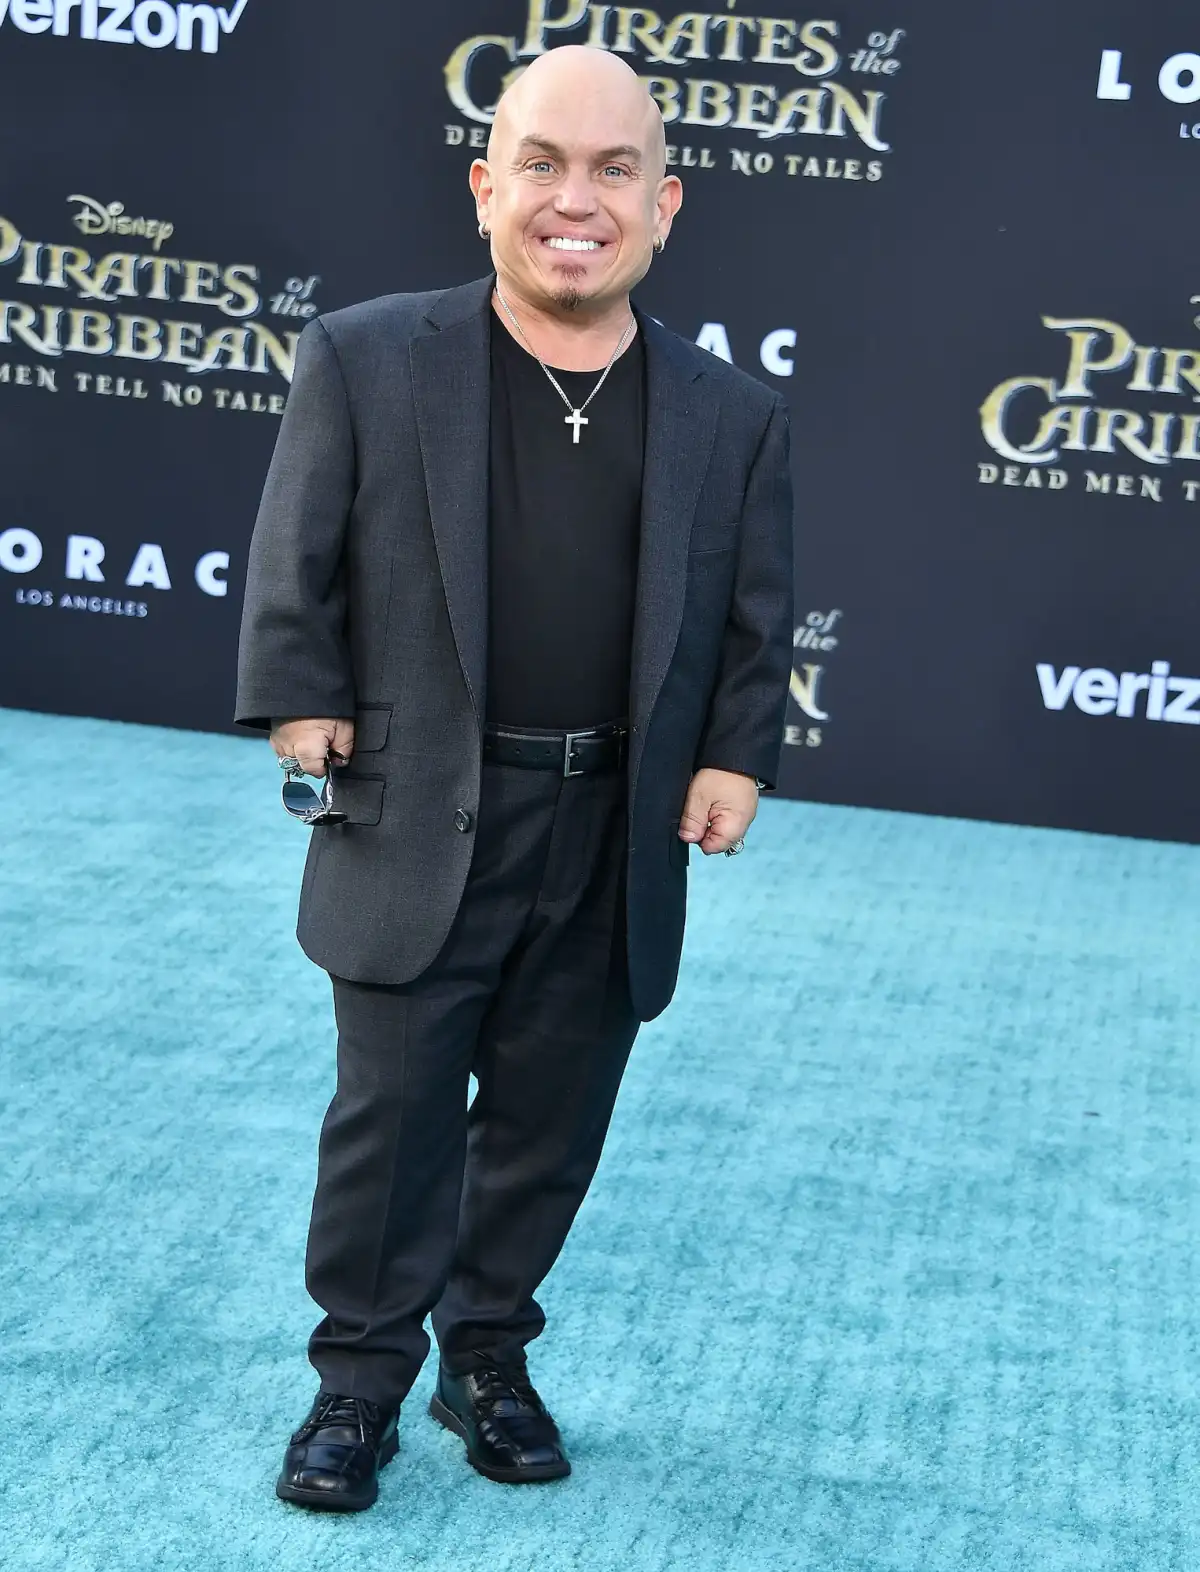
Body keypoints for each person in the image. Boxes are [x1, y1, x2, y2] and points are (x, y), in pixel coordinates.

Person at [234, 44, 794, 1512]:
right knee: (394, 1119)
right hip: (418, 803)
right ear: (486, 188)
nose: (576, 200)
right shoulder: (367, 357)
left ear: (666, 204)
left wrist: (736, 753)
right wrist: (300, 697)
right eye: (542, 163)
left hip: (615, 825)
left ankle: (486, 1353)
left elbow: (756, 613)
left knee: (552, 1119)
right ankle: (358, 1383)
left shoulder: (733, 414)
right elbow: (296, 550)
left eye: (615, 170)